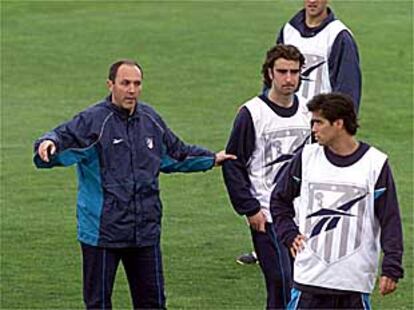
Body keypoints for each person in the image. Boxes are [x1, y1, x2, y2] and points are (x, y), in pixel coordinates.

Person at [33, 59, 236, 309]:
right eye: (125, 83)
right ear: (111, 85)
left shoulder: (150, 120)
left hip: (144, 231)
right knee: (98, 304)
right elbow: (62, 137)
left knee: (152, 303)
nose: (131, 90)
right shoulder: (94, 121)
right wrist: (47, 143)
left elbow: (177, 153)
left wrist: (212, 158)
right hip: (102, 233)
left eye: (137, 84)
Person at [271, 93, 404, 309]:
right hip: (309, 281)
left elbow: (390, 219)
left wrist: (391, 266)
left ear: (339, 123)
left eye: (318, 122)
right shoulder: (306, 158)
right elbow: (279, 200)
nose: (313, 129)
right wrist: (288, 232)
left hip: (353, 283)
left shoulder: (375, 164)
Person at [222, 44, 311, 309]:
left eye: (294, 72)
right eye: (282, 71)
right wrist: (250, 209)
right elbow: (232, 163)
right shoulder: (252, 114)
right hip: (267, 215)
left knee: (304, 283)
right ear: (269, 73)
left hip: (303, 215)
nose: (288, 79)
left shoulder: (309, 111)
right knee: (280, 281)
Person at [276, 0, 362, 112]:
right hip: (289, 121)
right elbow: (272, 79)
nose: (312, 1)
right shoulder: (288, 31)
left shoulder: (339, 36)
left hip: (322, 123)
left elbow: (347, 90)